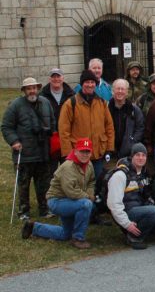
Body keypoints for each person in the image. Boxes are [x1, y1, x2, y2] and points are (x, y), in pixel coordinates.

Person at [21, 137, 95, 249]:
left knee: (65, 234)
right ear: (75, 151)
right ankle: (78, 238)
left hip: (72, 201)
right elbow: (71, 191)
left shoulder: (89, 165)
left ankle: (34, 227)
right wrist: (88, 197)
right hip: (57, 201)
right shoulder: (68, 167)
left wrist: (90, 192)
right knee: (86, 205)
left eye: (87, 151)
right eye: (82, 151)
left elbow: (91, 182)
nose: (85, 154)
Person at [2, 77, 55, 218]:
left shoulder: (45, 103)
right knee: (24, 185)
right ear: (24, 90)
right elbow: (6, 127)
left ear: (38, 88)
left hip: (42, 152)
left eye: (34, 88)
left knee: (43, 184)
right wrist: (14, 141)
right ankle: (24, 211)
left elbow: (53, 122)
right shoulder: (15, 105)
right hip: (24, 153)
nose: (32, 91)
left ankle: (44, 209)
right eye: (28, 88)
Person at [106, 143, 155, 249]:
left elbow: (148, 195)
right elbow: (113, 204)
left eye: (143, 155)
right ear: (132, 156)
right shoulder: (120, 175)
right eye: (137, 155)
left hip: (142, 210)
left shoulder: (144, 173)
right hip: (127, 212)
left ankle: (142, 231)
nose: (141, 158)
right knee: (154, 211)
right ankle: (133, 237)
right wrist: (126, 224)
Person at [58, 69, 115, 177]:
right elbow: (63, 130)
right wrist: (68, 154)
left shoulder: (102, 103)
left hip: (98, 153)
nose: (90, 85)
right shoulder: (70, 104)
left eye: (92, 82)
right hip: (79, 154)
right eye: (87, 82)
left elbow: (109, 127)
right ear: (82, 84)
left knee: (98, 184)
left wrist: (109, 148)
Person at [40, 68, 75, 174]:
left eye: (58, 76)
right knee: (51, 172)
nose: (56, 79)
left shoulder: (71, 94)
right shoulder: (42, 96)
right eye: (53, 76)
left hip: (68, 137)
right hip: (50, 138)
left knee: (68, 169)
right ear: (49, 79)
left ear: (63, 78)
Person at [108, 79, 145, 160]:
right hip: (109, 153)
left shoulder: (134, 110)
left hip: (128, 154)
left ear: (127, 92)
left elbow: (140, 128)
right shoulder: (106, 109)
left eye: (123, 89)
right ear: (113, 91)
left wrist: (132, 141)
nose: (120, 91)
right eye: (118, 88)